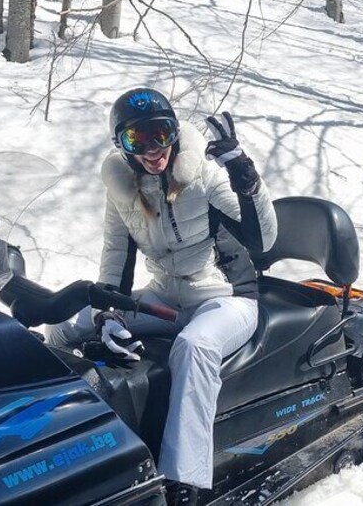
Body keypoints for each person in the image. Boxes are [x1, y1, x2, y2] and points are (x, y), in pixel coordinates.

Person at [45, 88, 277, 505]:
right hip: (162, 298)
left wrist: (245, 175)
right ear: (122, 146)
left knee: (194, 345)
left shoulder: (202, 174)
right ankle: (41, 428)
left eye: (162, 134)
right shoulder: (122, 190)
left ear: (174, 133)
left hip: (226, 297)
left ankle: (182, 481)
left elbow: (262, 238)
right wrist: (109, 314)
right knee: (67, 324)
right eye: (138, 140)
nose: (154, 149)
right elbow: (116, 257)